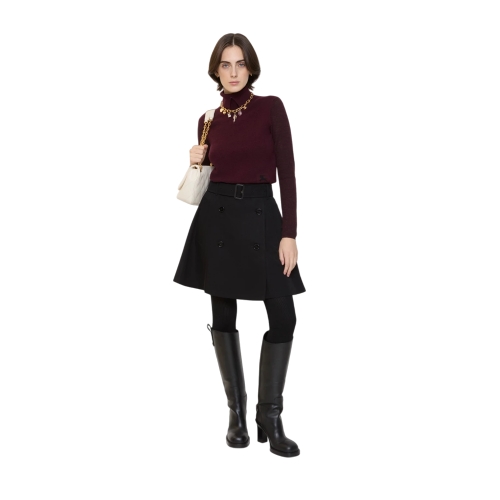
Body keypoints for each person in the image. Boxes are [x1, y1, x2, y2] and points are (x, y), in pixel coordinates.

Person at [173, 33, 306, 458]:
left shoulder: (271, 107)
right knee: (223, 315)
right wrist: (196, 160)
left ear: (251, 67)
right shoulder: (207, 119)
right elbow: (207, 176)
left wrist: (289, 233)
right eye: (225, 65)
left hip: (264, 218)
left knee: (283, 316)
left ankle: (270, 415)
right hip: (218, 219)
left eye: (240, 64)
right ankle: (237, 413)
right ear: (216, 70)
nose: (233, 72)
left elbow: (288, 172)